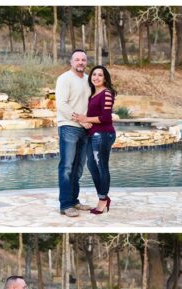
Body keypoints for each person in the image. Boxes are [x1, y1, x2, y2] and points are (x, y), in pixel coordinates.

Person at [72, 65, 117, 215]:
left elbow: (105, 117)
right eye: (94, 74)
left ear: (105, 78)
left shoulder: (107, 93)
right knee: (92, 166)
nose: (96, 77)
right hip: (93, 135)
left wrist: (85, 118)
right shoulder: (93, 94)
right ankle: (103, 197)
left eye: (100, 75)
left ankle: (103, 200)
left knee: (102, 166)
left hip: (103, 135)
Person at [55, 49, 95, 218]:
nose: (80, 62)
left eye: (83, 60)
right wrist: (81, 120)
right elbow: (62, 105)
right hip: (69, 127)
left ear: (86, 62)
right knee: (67, 167)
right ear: (71, 62)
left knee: (78, 167)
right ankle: (65, 205)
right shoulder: (64, 79)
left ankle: (74, 200)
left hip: (85, 129)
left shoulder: (88, 80)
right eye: (77, 59)